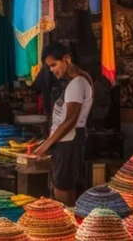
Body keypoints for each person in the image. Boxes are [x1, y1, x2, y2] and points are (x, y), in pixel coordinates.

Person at [31, 43, 93, 206]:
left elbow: (70, 120)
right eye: (49, 66)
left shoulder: (77, 82)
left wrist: (44, 147)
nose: (52, 70)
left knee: (62, 190)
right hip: (67, 140)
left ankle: (66, 221)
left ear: (66, 59)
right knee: (65, 187)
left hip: (68, 141)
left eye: (54, 65)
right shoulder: (78, 80)